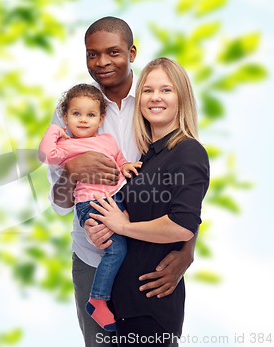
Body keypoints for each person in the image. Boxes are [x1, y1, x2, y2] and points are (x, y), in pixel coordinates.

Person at [47, 17, 197, 347]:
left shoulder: (151, 103)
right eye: (91, 54)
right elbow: (58, 202)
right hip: (92, 256)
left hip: (148, 258)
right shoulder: (73, 110)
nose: (101, 62)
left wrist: (188, 248)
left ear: (131, 53)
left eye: (113, 52)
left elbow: (184, 185)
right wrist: (71, 173)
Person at [86, 57, 210, 346]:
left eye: (166, 90)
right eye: (147, 90)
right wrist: (101, 226)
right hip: (124, 307)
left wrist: (122, 226)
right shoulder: (146, 159)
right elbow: (137, 215)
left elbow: (183, 225)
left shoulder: (188, 151)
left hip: (150, 309)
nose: (155, 98)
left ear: (182, 98)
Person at [39, 83, 142, 332]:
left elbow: (119, 160)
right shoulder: (65, 146)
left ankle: (99, 299)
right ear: (65, 117)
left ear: (100, 119)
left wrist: (125, 166)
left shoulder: (107, 140)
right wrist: (55, 130)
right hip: (90, 205)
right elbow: (45, 155)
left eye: (90, 115)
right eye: (76, 114)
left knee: (122, 246)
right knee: (115, 250)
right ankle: (97, 300)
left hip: (114, 200)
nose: (83, 120)